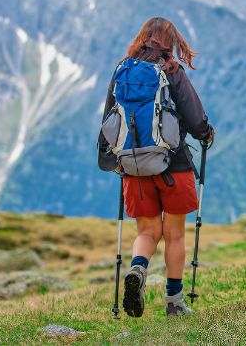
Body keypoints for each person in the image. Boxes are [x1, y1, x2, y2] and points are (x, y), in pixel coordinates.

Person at [99, 17, 214, 317]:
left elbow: (109, 118)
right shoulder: (172, 71)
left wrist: (115, 158)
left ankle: (138, 270)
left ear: (142, 38)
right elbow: (195, 116)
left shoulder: (123, 70)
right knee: (174, 234)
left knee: (147, 231)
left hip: (133, 166)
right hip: (173, 166)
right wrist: (205, 133)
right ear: (171, 42)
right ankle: (174, 302)